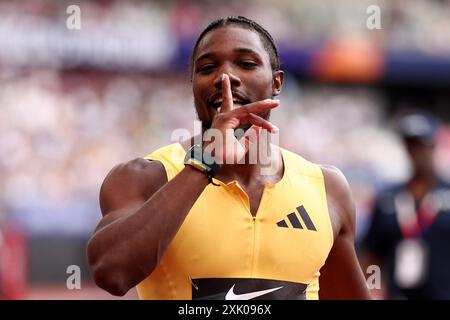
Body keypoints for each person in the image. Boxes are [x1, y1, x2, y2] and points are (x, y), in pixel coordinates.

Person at [87, 16, 371, 300]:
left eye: (246, 64)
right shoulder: (145, 177)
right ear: (193, 86)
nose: (225, 77)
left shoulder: (327, 189)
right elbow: (112, 273)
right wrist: (204, 161)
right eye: (207, 68)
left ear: (276, 82)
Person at [363, 111, 450, 299]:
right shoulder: (387, 198)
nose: (416, 153)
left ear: (434, 146)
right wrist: (373, 288)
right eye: (411, 146)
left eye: (421, 146)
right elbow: (372, 254)